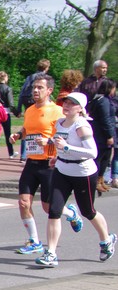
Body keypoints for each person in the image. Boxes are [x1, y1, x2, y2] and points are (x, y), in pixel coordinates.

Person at [36, 92, 117, 267]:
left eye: (72, 103)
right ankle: (51, 253)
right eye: (65, 102)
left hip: (83, 173)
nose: (67, 105)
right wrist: (52, 147)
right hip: (62, 170)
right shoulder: (60, 122)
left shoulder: (82, 127)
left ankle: (106, 240)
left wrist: (66, 148)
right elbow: (60, 140)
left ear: (80, 108)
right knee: (54, 210)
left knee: (88, 211)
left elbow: (92, 152)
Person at [9, 74, 82, 254]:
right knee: (24, 202)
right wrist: (18, 135)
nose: (35, 90)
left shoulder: (57, 111)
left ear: (49, 90)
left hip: (49, 164)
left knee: (48, 207)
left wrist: (48, 141)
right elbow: (27, 129)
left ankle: (71, 213)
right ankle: (34, 241)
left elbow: (65, 136)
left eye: (40, 87)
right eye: (34, 87)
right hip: (31, 162)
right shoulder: (29, 110)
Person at [88, 79, 116, 194]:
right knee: (100, 158)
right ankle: (95, 181)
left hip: (100, 132)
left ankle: (100, 179)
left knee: (106, 157)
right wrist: (109, 135)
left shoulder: (98, 98)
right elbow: (105, 119)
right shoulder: (103, 101)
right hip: (102, 134)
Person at [0, 71, 16, 159]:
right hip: (5, 112)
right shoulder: (7, 88)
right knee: (7, 133)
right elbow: (11, 103)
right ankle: (11, 153)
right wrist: (16, 112)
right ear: (5, 78)